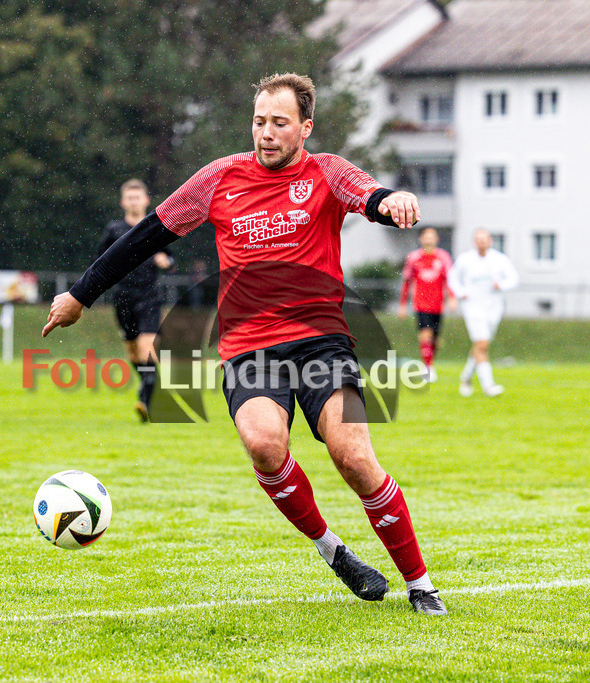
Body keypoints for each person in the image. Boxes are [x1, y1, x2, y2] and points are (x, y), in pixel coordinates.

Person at [43, 73, 446, 615]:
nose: (266, 133)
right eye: (259, 121)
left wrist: (394, 199)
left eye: (280, 123)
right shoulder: (219, 179)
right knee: (263, 444)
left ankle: (420, 585)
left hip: (324, 344)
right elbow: (146, 237)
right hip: (250, 349)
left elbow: (369, 196)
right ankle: (335, 553)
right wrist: (79, 295)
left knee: (354, 456)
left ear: (305, 126)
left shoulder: (325, 172)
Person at [97, 179, 174, 422]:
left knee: (147, 350)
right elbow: (101, 262)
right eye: (129, 197)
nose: (133, 201)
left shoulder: (155, 225)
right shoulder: (114, 230)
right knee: (133, 353)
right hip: (122, 298)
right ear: (123, 202)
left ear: (146, 200)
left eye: (137, 197)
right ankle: (148, 387)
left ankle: (145, 395)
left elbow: (171, 258)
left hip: (149, 297)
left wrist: (166, 260)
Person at [448, 229, 519, 397]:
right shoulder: (465, 259)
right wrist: (460, 293)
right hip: (473, 307)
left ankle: (466, 377)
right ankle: (489, 386)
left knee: (481, 345)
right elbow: (452, 279)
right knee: (482, 345)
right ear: (474, 241)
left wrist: (501, 285)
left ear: (490, 241)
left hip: (494, 307)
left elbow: (513, 279)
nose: (481, 242)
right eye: (478, 239)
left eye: (484, 239)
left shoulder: (500, 259)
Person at [397, 227, 455, 382]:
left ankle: (430, 363)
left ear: (436, 239)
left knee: (435, 339)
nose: (429, 240)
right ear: (421, 239)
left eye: (432, 237)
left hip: (438, 304)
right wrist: (403, 304)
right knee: (425, 334)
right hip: (420, 303)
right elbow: (407, 282)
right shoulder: (414, 258)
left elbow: (449, 280)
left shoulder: (443, 257)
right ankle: (427, 368)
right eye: (426, 237)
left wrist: (452, 298)